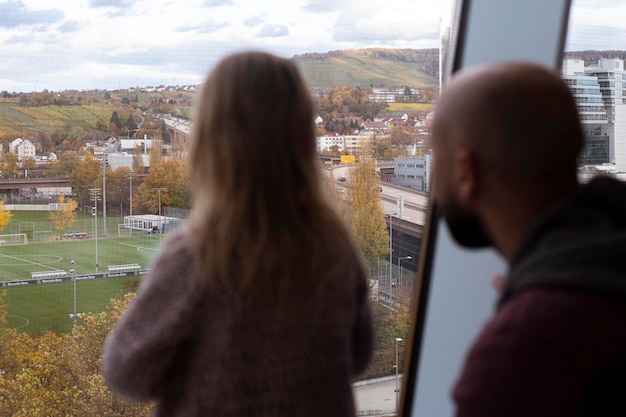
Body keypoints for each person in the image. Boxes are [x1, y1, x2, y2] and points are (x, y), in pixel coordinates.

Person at [102, 51, 373, 417]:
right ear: (304, 139)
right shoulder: (335, 248)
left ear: (208, 143)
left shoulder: (199, 254)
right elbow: (357, 355)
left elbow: (126, 371)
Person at [431, 62, 626, 416]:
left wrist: (530, 313)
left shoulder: (517, 359)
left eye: (435, 158)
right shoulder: (602, 263)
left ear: (465, 172)